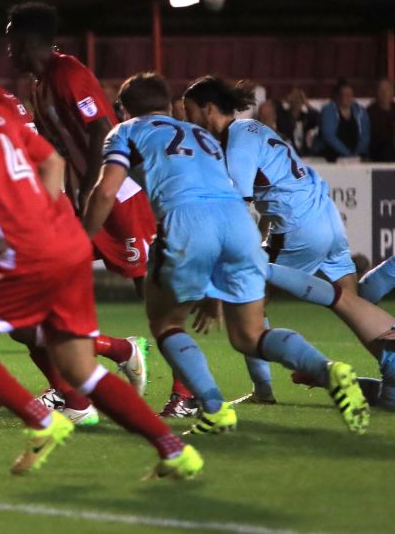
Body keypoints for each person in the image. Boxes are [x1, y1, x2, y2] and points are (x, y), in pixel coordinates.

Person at [0, 34, 202, 479]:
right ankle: (173, 448)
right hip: (68, 242)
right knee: (79, 368)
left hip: (28, 251)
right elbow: (52, 163)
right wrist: (40, 212)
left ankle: (41, 421)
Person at [83, 72, 370, 436]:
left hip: (187, 221)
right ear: (168, 106)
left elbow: (105, 192)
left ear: (124, 108)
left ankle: (214, 409)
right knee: (249, 335)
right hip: (239, 224)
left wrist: (81, 239)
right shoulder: (203, 134)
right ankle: (328, 370)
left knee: (166, 321)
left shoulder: (124, 132)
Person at [0, 24, 149, 427]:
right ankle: (102, 371)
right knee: (24, 322)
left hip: (54, 216)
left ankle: (150, 394)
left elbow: (51, 157)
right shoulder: (4, 97)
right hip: (40, 217)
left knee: (18, 319)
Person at [184, 75, 395, 409]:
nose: (187, 121)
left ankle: (265, 390)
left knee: (249, 305)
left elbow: (238, 209)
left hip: (298, 228)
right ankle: (392, 375)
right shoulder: (254, 130)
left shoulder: (235, 143)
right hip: (327, 220)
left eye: (189, 112)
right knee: (354, 305)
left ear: (209, 109)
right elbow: (271, 187)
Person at [6, 2, 157, 299]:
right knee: (55, 265)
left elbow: (101, 128)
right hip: (86, 193)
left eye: (10, 39)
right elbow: (54, 143)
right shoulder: (41, 85)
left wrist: (88, 190)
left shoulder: (69, 73)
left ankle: (174, 335)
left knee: (144, 278)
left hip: (115, 192)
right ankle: (74, 340)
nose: (8, 50)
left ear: (26, 40)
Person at [319, 79, 370, 162]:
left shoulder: (360, 111)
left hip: (357, 154)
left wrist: (356, 154)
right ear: (338, 96)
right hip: (334, 154)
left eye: (350, 95)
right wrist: (347, 154)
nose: (348, 97)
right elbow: (328, 136)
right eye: (345, 95)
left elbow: (365, 136)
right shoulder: (328, 110)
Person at [275, 87, 319, 157]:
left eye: (299, 99)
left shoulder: (305, 117)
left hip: (304, 154)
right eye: (295, 98)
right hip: (288, 154)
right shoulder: (283, 117)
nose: (297, 102)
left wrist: (306, 103)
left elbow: (317, 118)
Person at [367, 78, 395, 162]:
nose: (384, 93)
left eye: (387, 89)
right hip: (379, 150)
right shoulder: (370, 112)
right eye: (381, 90)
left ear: (392, 92)